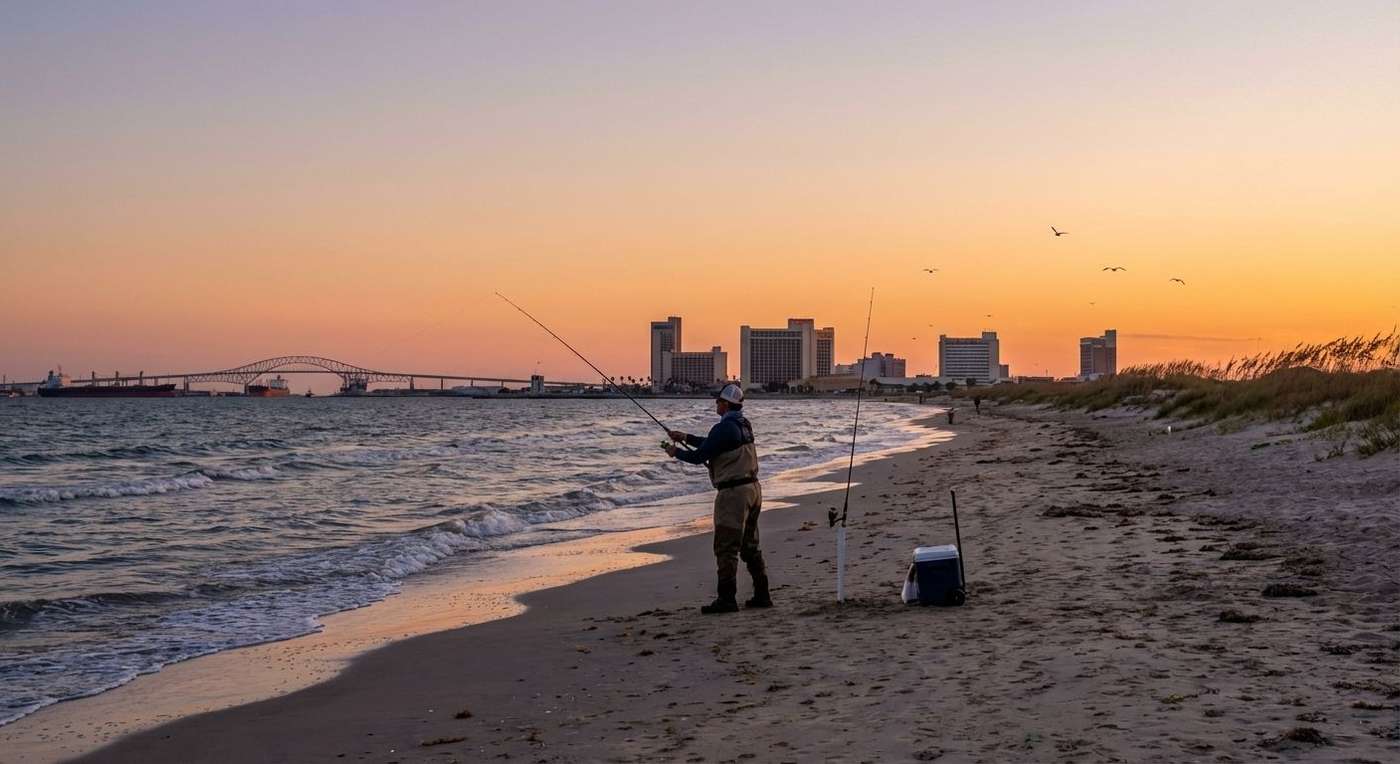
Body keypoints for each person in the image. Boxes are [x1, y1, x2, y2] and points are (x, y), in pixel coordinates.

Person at [664, 383, 770, 614]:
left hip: (733, 495)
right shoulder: (742, 424)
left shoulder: (724, 428)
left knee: (726, 547)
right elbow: (713, 443)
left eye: (718, 401)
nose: (715, 404)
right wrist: (685, 437)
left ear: (725, 404)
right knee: (750, 545)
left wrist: (676, 452)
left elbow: (700, 456)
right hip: (753, 490)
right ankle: (762, 594)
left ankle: (727, 599)